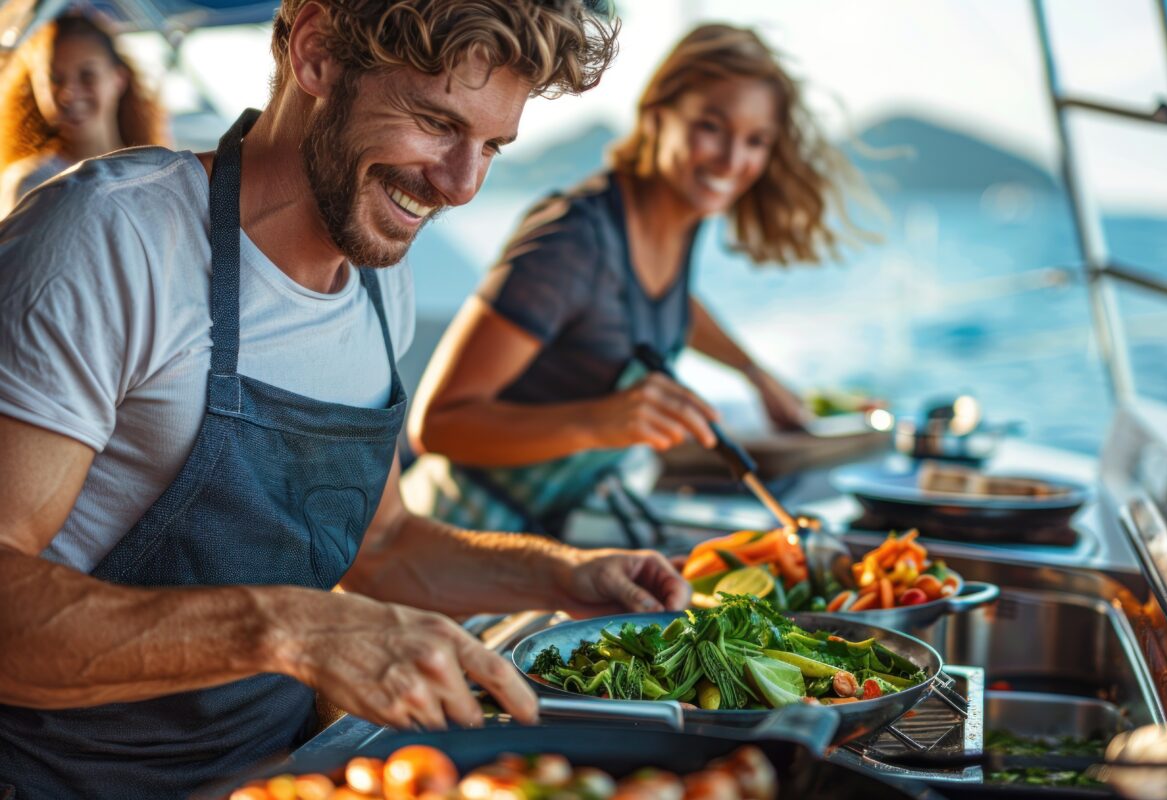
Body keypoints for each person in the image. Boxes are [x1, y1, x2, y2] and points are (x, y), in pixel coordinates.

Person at [0, 2, 691, 798]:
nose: (462, 186)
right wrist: (290, 626)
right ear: (317, 52)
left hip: (284, 775)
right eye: (436, 122)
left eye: (492, 147)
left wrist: (566, 579)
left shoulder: (376, 281)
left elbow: (384, 547)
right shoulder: (112, 237)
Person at [403, 23, 872, 535]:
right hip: (451, 535)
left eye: (756, 141)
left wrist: (754, 373)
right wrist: (603, 420)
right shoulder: (573, 240)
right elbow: (437, 425)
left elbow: (662, 300)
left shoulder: (680, 218)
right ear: (656, 114)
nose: (733, 160)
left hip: (546, 538)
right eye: (711, 127)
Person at [0, 12, 168, 216]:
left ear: (119, 79)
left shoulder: (155, 171)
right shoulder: (30, 184)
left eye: (87, 75)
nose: (68, 94)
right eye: (55, 79)